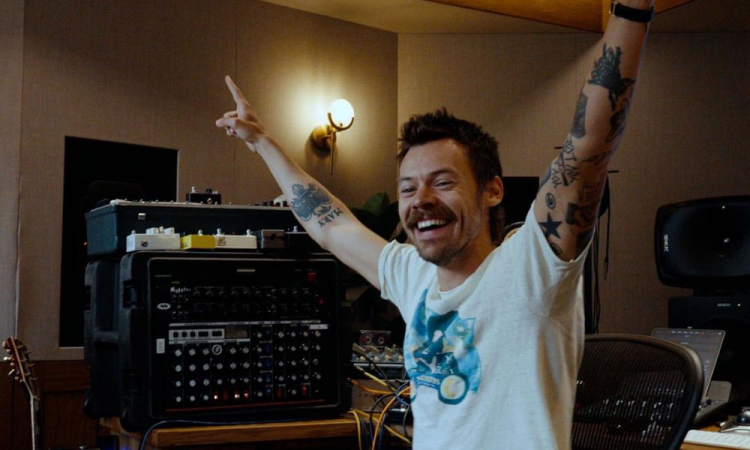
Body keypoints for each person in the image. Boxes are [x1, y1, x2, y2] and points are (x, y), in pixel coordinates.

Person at [215, 1, 654, 447]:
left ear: (492, 191)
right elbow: (330, 225)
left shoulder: (530, 269)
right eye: (408, 188)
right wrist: (262, 142)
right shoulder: (415, 277)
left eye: (442, 183)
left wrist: (631, 11)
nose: (421, 200)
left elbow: (588, 147)